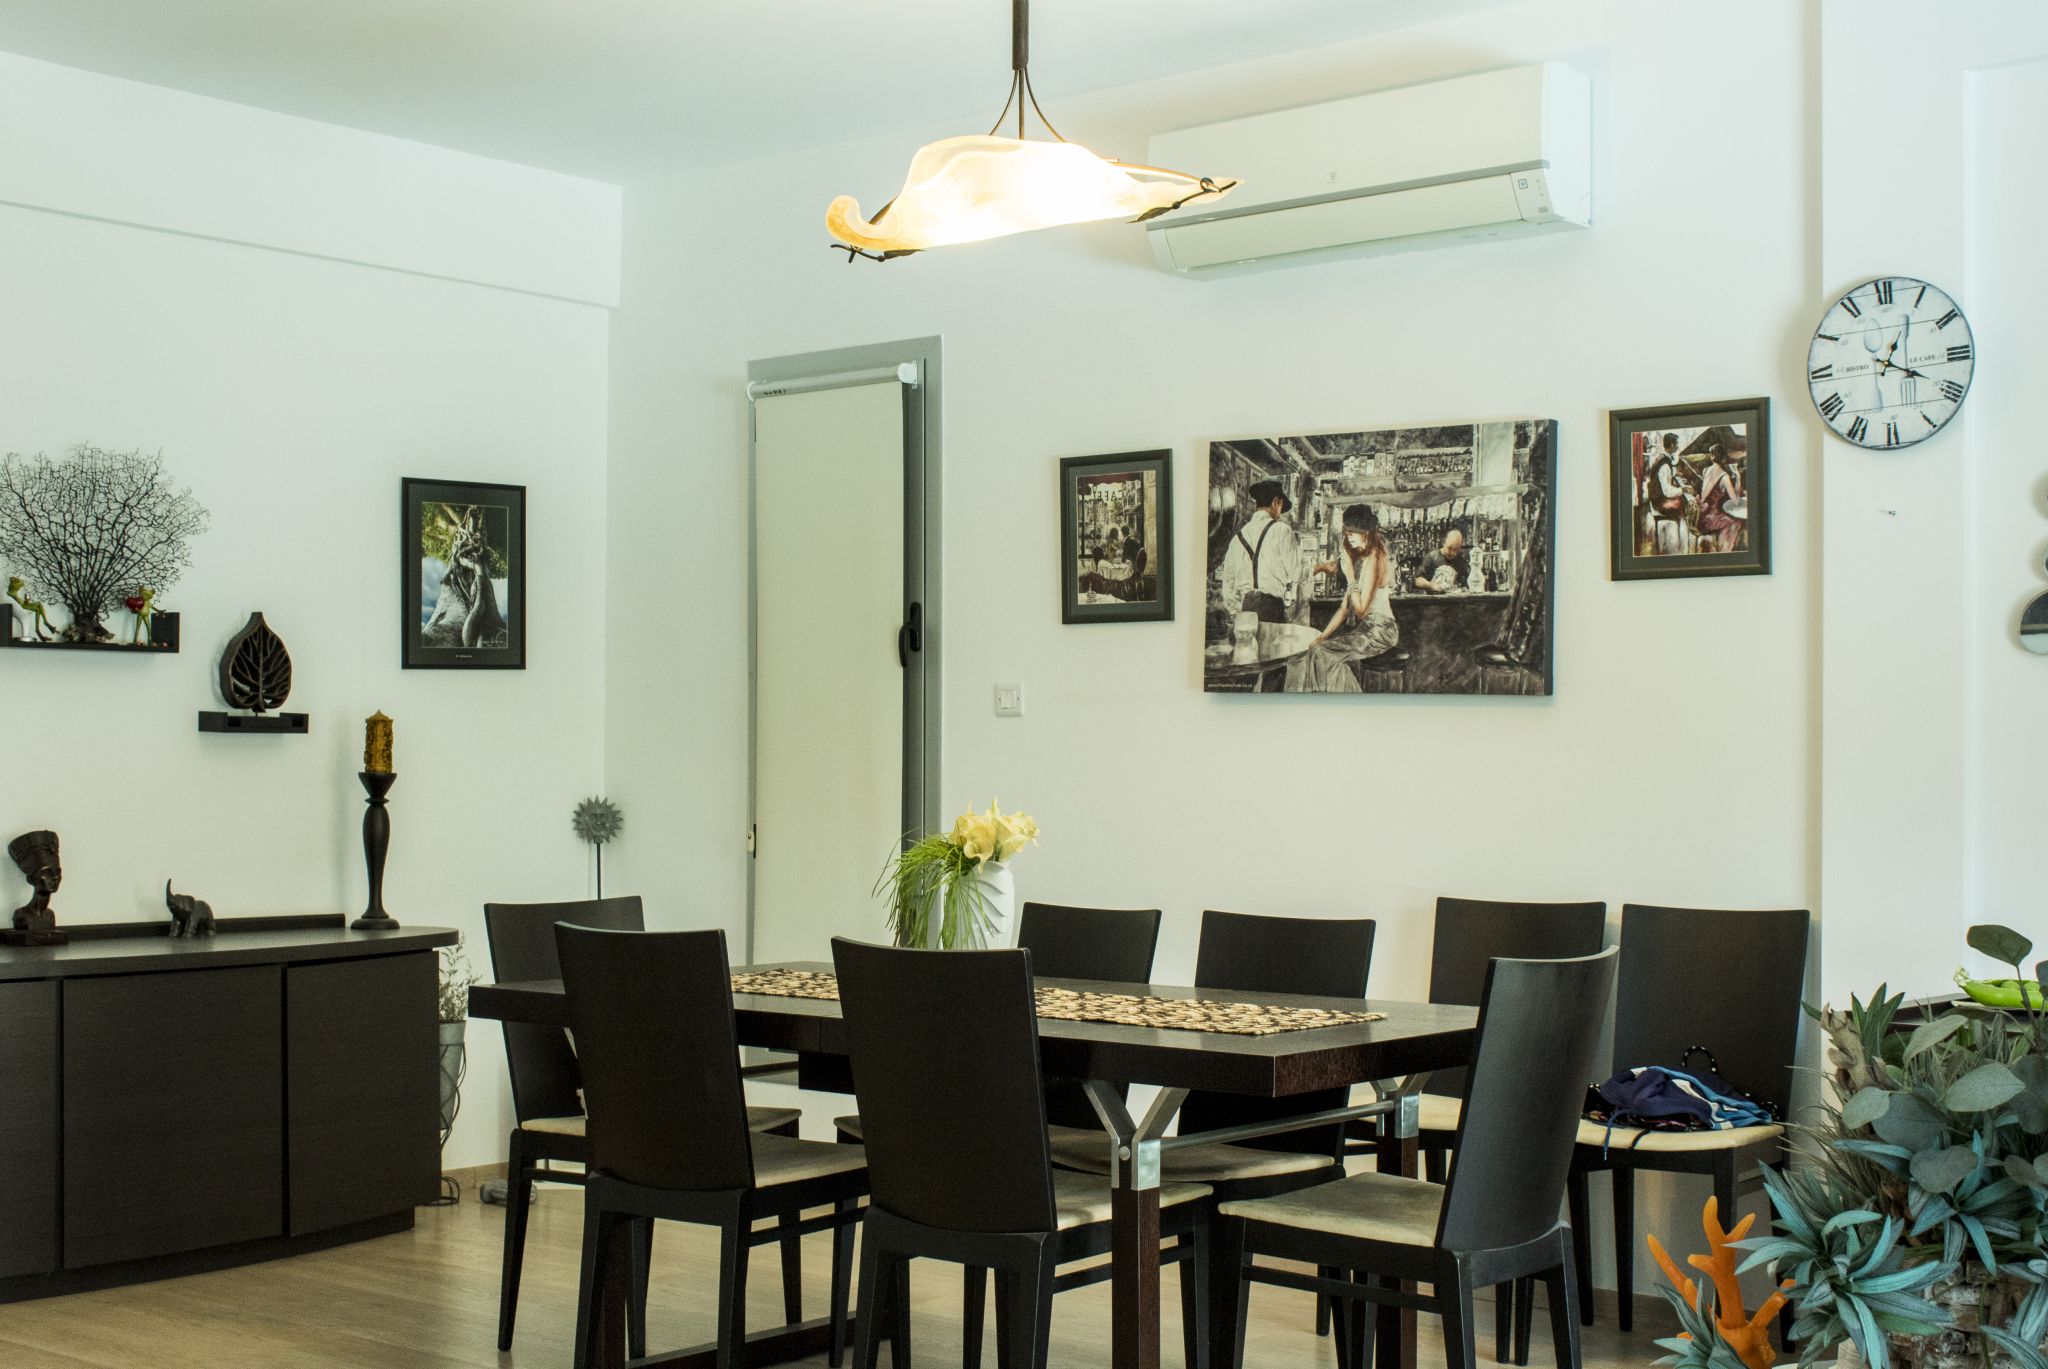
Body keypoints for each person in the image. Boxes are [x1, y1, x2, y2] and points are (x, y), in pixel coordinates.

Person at [1286, 504, 1400, 692]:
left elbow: (1361, 610)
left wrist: (1349, 574)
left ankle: (1345, 699)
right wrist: (1322, 637)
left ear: (1366, 532)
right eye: (1347, 532)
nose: (1349, 537)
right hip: (1367, 629)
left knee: (1324, 656)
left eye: (1353, 532)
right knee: (1315, 649)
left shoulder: (1376, 558)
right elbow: (1344, 609)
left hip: (1381, 631)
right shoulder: (1360, 560)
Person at [1218, 480, 1301, 624]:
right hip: (1272, 610)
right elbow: (1296, 573)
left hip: (1246, 611)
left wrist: (1235, 613)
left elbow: (1228, 586)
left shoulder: (1237, 539)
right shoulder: (1282, 531)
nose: (1280, 514)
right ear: (1275, 502)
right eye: (1281, 506)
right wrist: (1319, 568)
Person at [1694, 436, 1747, 553]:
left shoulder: (1706, 470)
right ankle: (1725, 550)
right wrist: (1738, 477)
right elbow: (1736, 501)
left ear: (1712, 457)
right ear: (1723, 458)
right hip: (1710, 520)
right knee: (1736, 522)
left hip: (1700, 517)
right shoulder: (1724, 477)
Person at [1642, 433, 1692, 556]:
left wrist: (1675, 475)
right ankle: (1681, 546)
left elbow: (1663, 477)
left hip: (1656, 497)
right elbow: (1667, 491)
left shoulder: (1662, 458)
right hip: (1659, 501)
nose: (1678, 446)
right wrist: (1683, 490)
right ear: (1672, 445)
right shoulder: (1665, 465)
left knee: (1682, 500)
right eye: (1677, 444)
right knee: (1684, 504)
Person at [1413, 527, 1468, 593]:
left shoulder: (1460, 561)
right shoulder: (1432, 557)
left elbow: (1466, 584)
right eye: (1449, 548)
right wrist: (1432, 586)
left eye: (1456, 549)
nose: (1452, 553)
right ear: (1443, 542)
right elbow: (1418, 580)